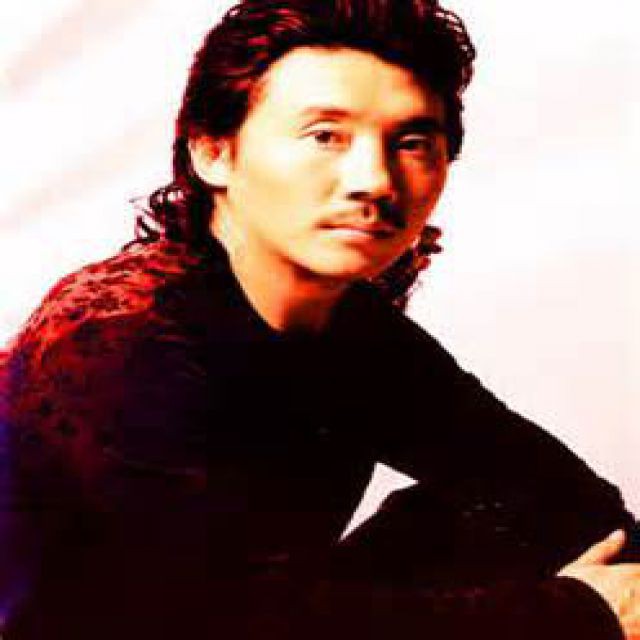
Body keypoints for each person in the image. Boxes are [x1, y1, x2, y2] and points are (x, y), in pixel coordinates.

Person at [1, 0, 639, 638]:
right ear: (212, 150)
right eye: (325, 136)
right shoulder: (116, 337)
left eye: (411, 143)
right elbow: (203, 622)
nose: (374, 180)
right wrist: (577, 613)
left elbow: (563, 497)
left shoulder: (351, 333)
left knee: (490, 508)